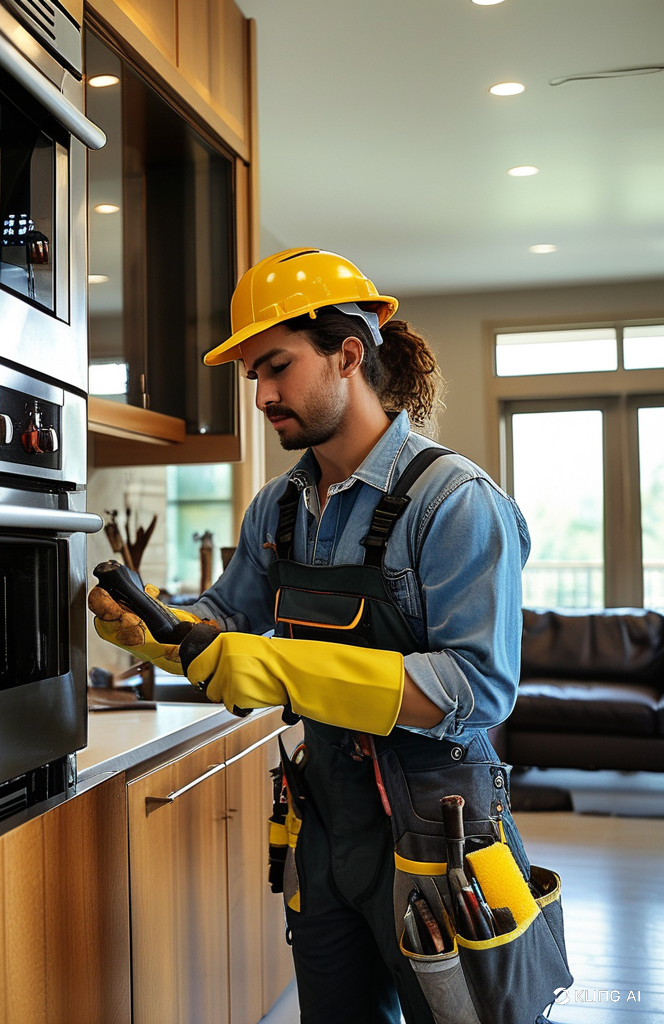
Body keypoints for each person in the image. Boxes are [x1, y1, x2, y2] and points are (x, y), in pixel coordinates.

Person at [88, 248, 531, 1024]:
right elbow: (227, 620)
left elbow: (479, 686)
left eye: (277, 367)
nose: (262, 395)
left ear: (349, 354)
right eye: (253, 375)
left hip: (439, 830)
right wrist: (153, 629)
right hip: (324, 825)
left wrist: (280, 668)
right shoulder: (281, 507)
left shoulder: (454, 503)